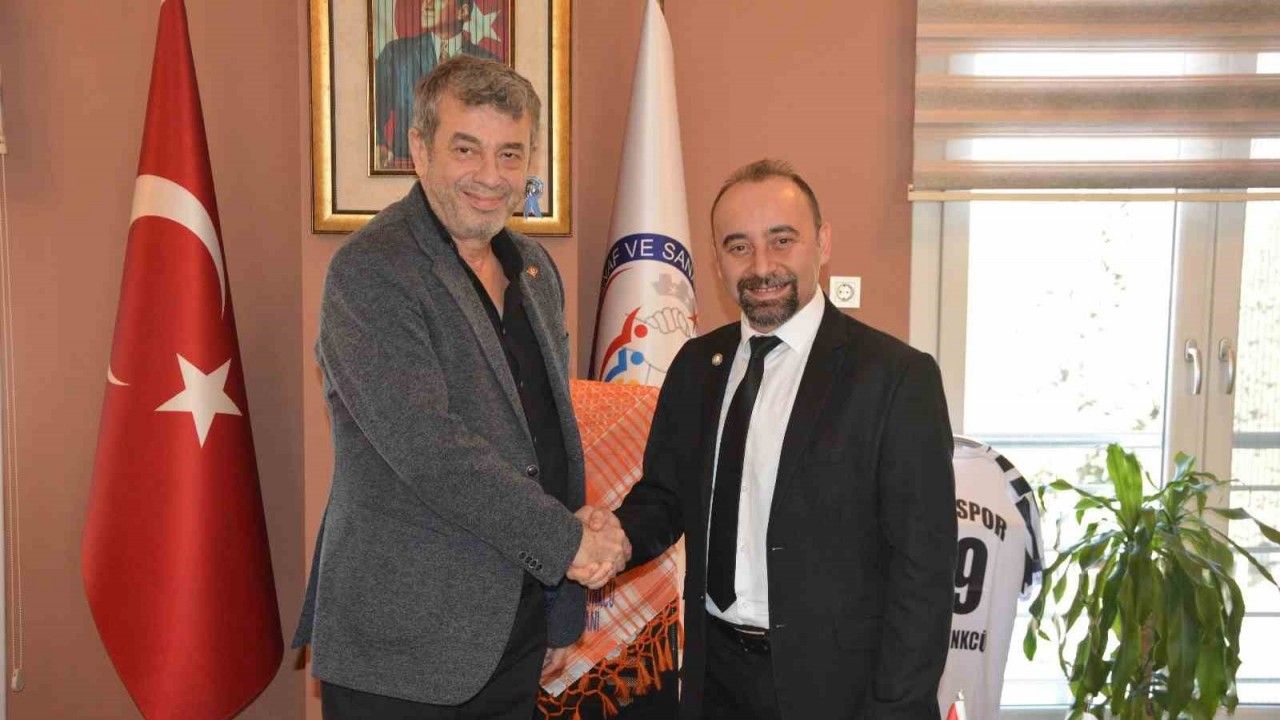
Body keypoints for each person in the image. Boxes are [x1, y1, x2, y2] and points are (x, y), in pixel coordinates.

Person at [294, 55, 628, 719]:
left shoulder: (533, 268)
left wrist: (562, 587)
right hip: (403, 649)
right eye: (466, 149)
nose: (490, 176)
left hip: (513, 630)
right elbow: (429, 448)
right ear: (420, 150)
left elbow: (543, 436)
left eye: (510, 154)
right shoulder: (372, 270)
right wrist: (567, 543)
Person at [595, 159, 957, 719]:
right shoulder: (696, 365)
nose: (761, 266)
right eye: (739, 246)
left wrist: (897, 709)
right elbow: (665, 498)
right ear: (716, 259)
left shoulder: (895, 377)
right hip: (715, 679)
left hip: (840, 692)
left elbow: (924, 571)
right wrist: (613, 537)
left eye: (781, 240)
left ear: (823, 243)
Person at [375, 0, 499, 168]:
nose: (426, 5)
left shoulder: (488, 65)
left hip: (469, 169)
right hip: (409, 168)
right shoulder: (396, 55)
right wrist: (378, 145)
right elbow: (373, 113)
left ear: (462, 12)